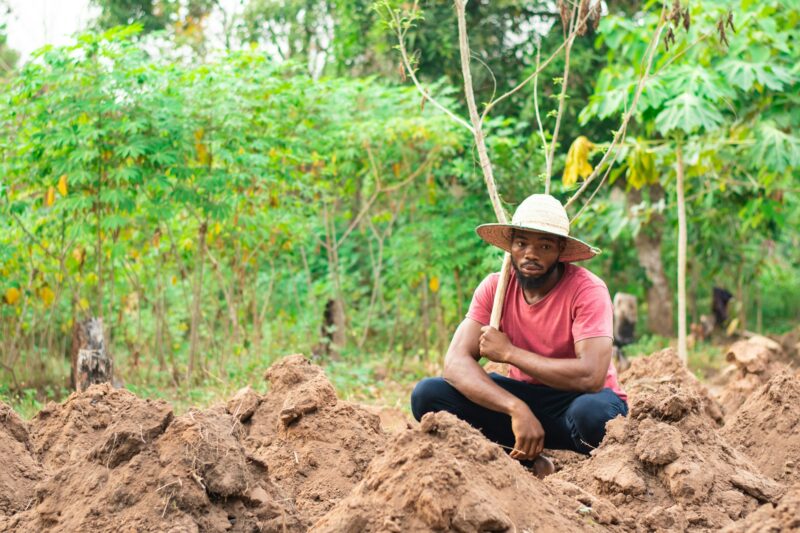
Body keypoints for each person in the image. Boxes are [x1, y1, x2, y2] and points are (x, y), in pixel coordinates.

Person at [410, 194, 627, 476]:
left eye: (544, 246)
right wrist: (515, 408)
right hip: (523, 400)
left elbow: (591, 375)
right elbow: (455, 363)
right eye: (521, 243)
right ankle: (525, 460)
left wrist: (510, 353)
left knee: (594, 416)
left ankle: (594, 472)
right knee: (428, 394)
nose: (530, 254)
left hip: (577, 399)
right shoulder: (495, 287)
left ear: (561, 249)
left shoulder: (587, 290)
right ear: (511, 246)